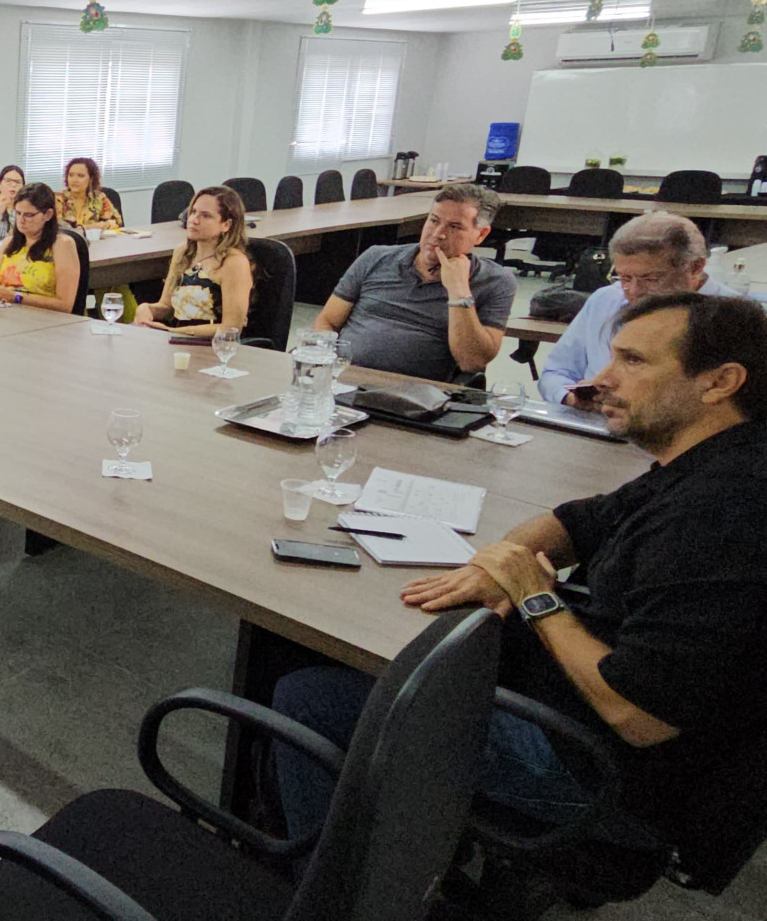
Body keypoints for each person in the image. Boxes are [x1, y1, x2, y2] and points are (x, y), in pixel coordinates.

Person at [274, 293, 767, 881]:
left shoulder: (723, 515)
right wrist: (493, 567)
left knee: (308, 695)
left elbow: (641, 716)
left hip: (610, 777)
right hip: (589, 712)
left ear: (720, 382)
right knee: (371, 646)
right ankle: (410, 854)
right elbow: (577, 522)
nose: (601, 379)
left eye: (633, 362)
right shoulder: (712, 461)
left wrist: (535, 595)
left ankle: (335, 896)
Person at [313, 184, 517, 382]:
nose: (438, 234)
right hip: (342, 380)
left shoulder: (495, 281)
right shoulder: (376, 257)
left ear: (481, 235)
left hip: (417, 397)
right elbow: (328, 321)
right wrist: (321, 366)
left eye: (454, 226)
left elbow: (472, 362)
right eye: (434, 221)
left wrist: (459, 292)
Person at [538, 211, 740, 407]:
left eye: (651, 279)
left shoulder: (734, 318)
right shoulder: (605, 299)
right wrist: (570, 397)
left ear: (695, 268)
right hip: (595, 424)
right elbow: (556, 373)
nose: (634, 291)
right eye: (625, 278)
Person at [133, 185, 254, 336]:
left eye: (205, 216)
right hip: (176, 341)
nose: (194, 220)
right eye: (193, 212)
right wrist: (147, 308)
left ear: (226, 225)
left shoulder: (234, 263)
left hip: (214, 347)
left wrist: (175, 332)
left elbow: (231, 328)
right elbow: (167, 306)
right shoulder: (182, 252)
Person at [0, 183, 79, 313]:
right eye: (18, 213)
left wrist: (16, 297)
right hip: (5, 313)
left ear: (47, 215)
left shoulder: (62, 245)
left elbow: (65, 305)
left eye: (29, 215)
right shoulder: (9, 243)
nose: (21, 220)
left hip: (43, 319)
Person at [54, 156, 120, 230]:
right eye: (71, 175)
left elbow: (117, 222)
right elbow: (58, 228)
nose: (74, 180)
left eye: (80, 176)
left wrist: (105, 225)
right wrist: (90, 227)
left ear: (91, 179)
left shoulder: (98, 198)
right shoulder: (58, 199)